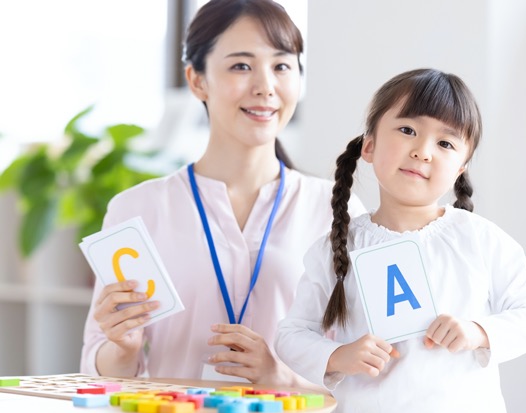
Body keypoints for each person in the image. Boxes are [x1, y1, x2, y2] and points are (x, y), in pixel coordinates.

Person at [80, 0, 365, 387]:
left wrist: (282, 379)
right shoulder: (137, 209)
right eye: (241, 66)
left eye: (282, 66)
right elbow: (97, 367)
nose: (265, 87)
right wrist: (123, 350)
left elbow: (364, 368)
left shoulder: (335, 209)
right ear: (197, 80)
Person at [275, 68, 526, 413]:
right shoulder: (337, 248)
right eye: (408, 130)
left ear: (461, 168)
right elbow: (291, 333)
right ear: (369, 144)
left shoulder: (480, 239)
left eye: (445, 143)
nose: (422, 152)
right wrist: (337, 356)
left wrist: (478, 332)